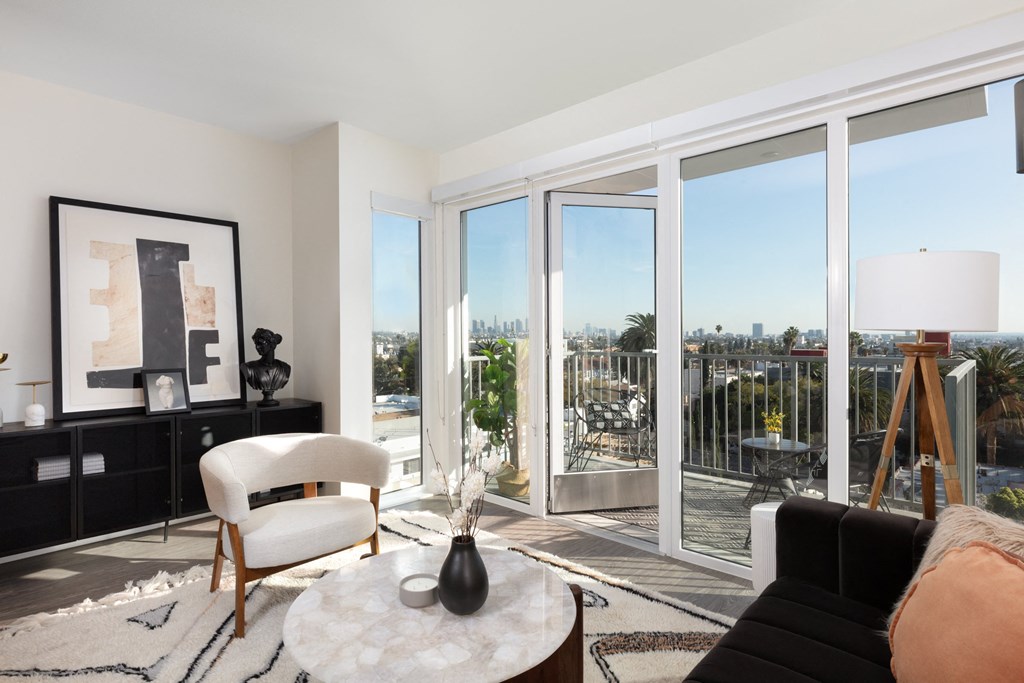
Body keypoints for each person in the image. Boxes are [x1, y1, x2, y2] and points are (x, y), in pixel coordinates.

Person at [240, 328, 291, 406]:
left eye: (261, 344)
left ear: (272, 345)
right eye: (256, 344)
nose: (257, 347)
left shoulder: (285, 368)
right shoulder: (248, 367)